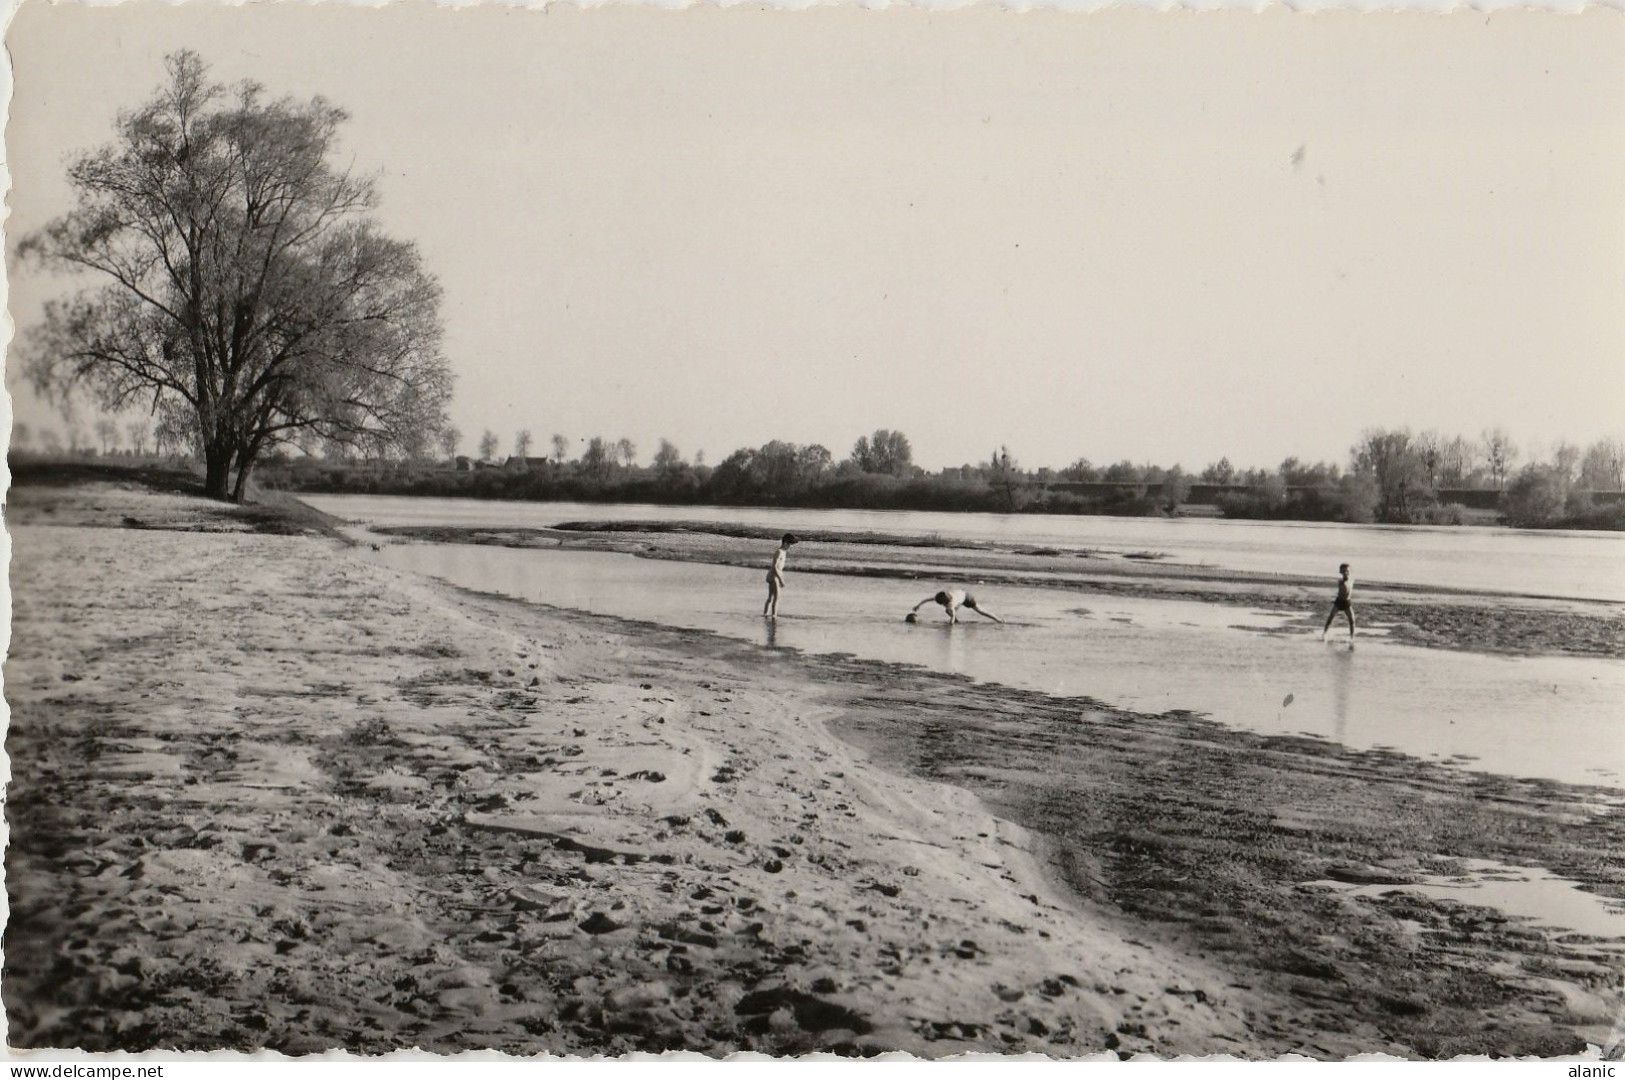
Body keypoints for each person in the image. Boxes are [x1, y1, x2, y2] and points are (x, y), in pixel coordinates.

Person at [910, 588, 1003, 625]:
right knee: (947, 611)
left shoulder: (951, 603)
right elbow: (926, 600)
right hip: (960, 596)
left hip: (967, 598)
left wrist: (951, 623)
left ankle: (998, 619)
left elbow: (953, 614)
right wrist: (918, 606)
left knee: (981, 611)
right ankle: (958, 622)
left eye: (942, 603)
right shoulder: (940, 597)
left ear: (945, 600)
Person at [763, 533, 799, 620]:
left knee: (771, 598)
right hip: (774, 575)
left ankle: (766, 614)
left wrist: (781, 577)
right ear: (785, 543)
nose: (791, 547)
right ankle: (774, 616)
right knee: (777, 597)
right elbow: (775, 567)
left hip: (775, 575)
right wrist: (781, 579)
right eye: (790, 544)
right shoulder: (779, 552)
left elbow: (779, 568)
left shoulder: (783, 552)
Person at [1321, 562, 1356, 641]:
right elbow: (1344, 582)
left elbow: (1350, 582)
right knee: (1331, 617)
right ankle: (1324, 634)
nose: (1345, 572)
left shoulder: (1351, 579)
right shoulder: (1341, 580)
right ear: (1340, 572)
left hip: (1347, 602)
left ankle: (1352, 637)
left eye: (1347, 571)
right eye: (1343, 571)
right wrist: (1344, 578)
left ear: (1349, 571)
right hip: (1339, 601)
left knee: (1352, 620)